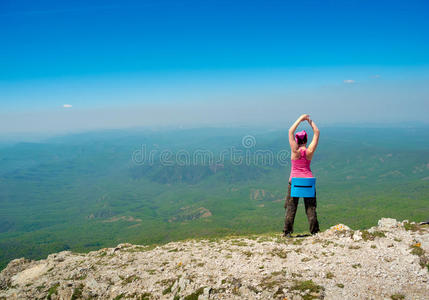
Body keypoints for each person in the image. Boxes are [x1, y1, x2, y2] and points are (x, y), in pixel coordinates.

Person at [283, 114, 320, 237]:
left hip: (295, 182)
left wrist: (300, 118)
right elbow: (317, 132)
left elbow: (290, 131)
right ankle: (315, 231)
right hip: (308, 181)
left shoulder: (295, 151)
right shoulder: (309, 151)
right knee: (310, 207)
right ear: (306, 140)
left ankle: (287, 232)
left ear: (297, 140)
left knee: (291, 207)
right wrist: (309, 121)